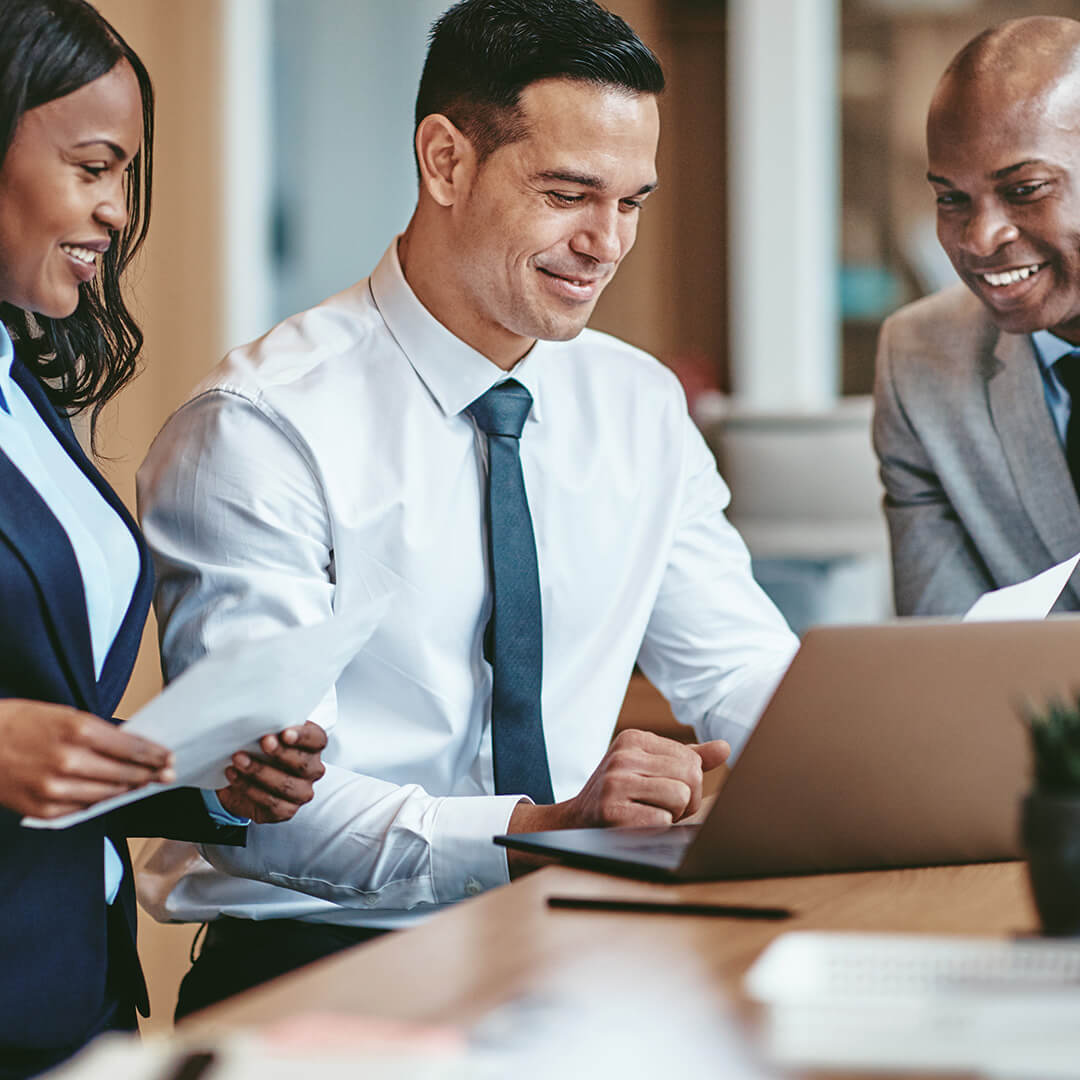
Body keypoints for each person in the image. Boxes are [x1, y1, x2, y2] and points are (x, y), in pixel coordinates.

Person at [136, 0, 798, 1018]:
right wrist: (543, 825)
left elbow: (739, 669)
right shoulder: (260, 427)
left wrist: (870, 774)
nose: (606, 243)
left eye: (632, 202)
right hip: (320, 978)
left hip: (579, 955)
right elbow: (266, 809)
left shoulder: (639, 404)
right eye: (569, 194)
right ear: (445, 162)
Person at [0, 2, 329, 1074]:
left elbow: (44, 712)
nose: (116, 212)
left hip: (73, 987)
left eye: (127, 174)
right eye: (94, 167)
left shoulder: (22, 389)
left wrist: (197, 776)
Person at [873, 16, 1080, 616]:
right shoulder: (919, 360)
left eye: (1025, 189)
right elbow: (945, 647)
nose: (980, 238)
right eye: (951, 199)